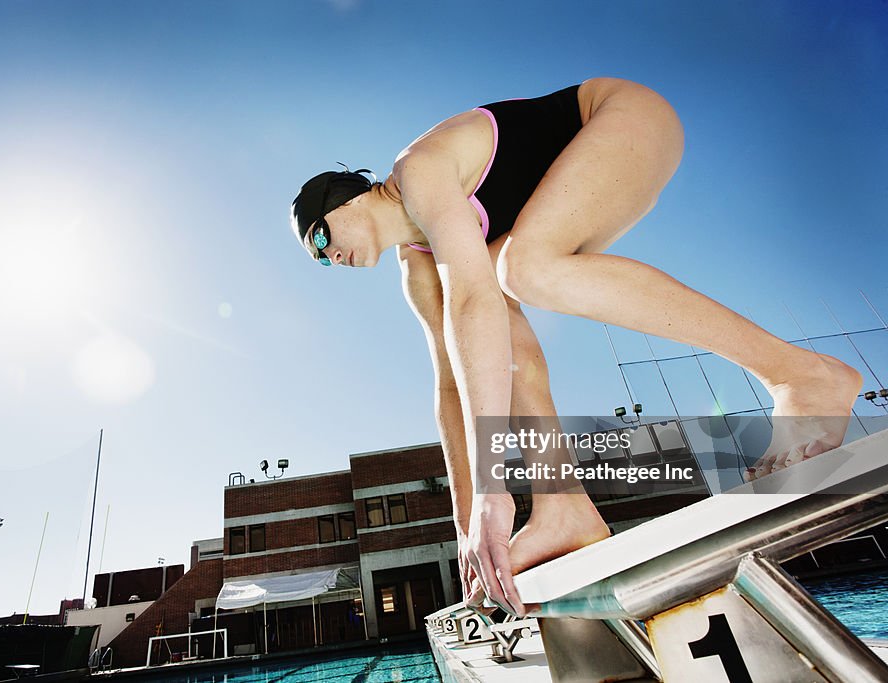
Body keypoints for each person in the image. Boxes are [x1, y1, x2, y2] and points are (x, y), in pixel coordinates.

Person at [288, 77, 863, 617]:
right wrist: (470, 524)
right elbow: (449, 381)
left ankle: (799, 374)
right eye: (316, 261)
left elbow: (473, 304)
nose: (325, 259)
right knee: (493, 307)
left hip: (624, 119)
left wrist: (494, 487)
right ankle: (562, 503)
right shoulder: (417, 271)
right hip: (580, 180)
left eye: (319, 238)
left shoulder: (417, 172)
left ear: (344, 200)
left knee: (520, 272)